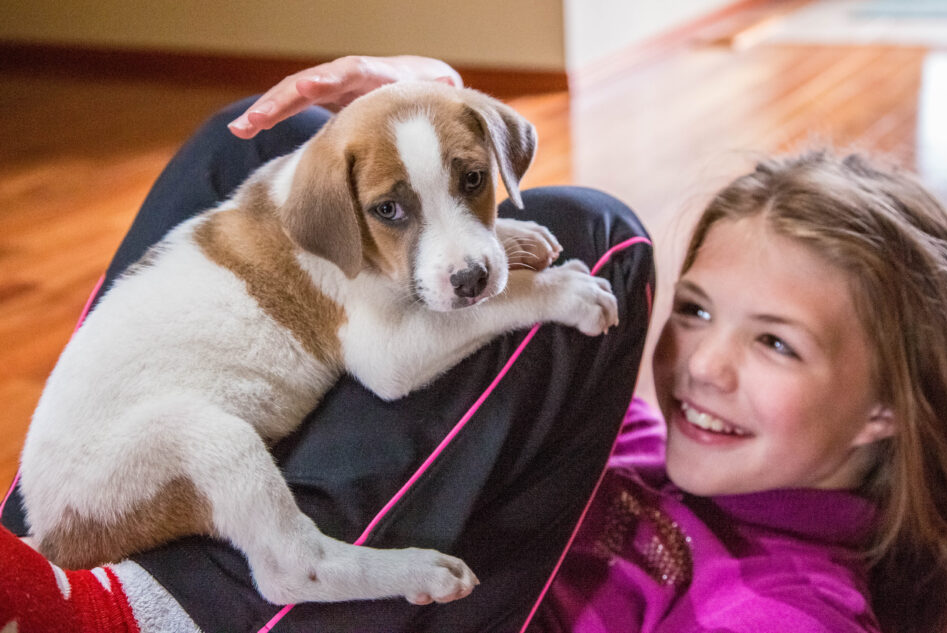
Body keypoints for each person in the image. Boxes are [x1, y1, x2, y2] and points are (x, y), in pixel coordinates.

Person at [0, 55, 655, 632]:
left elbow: (410, 217)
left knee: (267, 128)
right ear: (340, 213)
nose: (465, 257)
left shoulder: (320, 192)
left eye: (473, 182)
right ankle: (298, 564)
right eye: (392, 211)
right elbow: (390, 366)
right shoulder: (317, 222)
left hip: (65, 496)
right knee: (602, 236)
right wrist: (540, 296)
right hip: (98, 490)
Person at [529, 150, 947, 633]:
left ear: (885, 408)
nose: (702, 364)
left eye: (776, 343)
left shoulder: (787, 614)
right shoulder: (622, 437)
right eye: (696, 310)